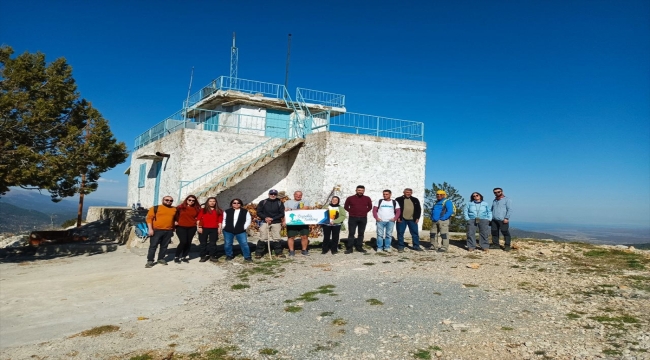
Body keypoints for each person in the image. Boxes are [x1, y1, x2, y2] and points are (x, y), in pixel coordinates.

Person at [145, 195, 177, 268]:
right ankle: (150, 260)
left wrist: (174, 226)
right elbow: (149, 218)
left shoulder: (174, 209)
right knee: (153, 246)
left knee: (164, 246)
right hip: (156, 230)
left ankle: (161, 259)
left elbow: (174, 219)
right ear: (163, 200)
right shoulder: (155, 208)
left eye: (171, 200)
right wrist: (150, 229)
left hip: (168, 231)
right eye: (167, 200)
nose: (169, 201)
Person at [255, 189, 286, 258]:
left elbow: (282, 213)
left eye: (275, 194)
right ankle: (258, 253)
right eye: (271, 194)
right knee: (263, 237)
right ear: (269, 194)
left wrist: (273, 218)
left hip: (276, 222)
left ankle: (278, 253)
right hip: (264, 221)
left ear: (276, 195)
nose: (273, 195)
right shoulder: (263, 202)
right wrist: (265, 218)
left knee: (277, 238)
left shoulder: (280, 203)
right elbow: (259, 212)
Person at [221, 198, 253, 262]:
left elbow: (248, 220)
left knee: (244, 243)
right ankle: (229, 255)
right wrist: (224, 226)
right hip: (228, 230)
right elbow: (224, 219)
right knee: (228, 244)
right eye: (234, 203)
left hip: (240, 230)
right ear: (232, 204)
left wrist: (244, 227)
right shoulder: (227, 211)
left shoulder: (245, 211)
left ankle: (247, 257)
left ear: (240, 204)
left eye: (238, 203)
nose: (236, 204)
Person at [343, 185, 373, 254]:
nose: (360, 192)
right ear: (356, 190)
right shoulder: (350, 198)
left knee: (361, 233)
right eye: (359, 190)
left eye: (362, 190)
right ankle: (350, 248)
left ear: (364, 191)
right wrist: (351, 212)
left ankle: (359, 247)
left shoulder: (367, 198)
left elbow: (370, 207)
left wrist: (364, 211)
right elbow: (346, 206)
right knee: (351, 233)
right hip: (353, 218)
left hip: (363, 218)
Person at [284, 191, 313, 256]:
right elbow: (284, 212)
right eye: (296, 195)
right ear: (294, 195)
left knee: (304, 236)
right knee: (291, 237)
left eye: (300, 195)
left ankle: (304, 250)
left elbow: (305, 209)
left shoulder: (305, 201)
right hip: (291, 222)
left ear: (301, 196)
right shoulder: (287, 202)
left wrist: (291, 209)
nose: (298, 196)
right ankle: (291, 251)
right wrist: (284, 221)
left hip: (303, 221)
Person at [173, 195, 200, 263]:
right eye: (189, 200)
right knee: (183, 241)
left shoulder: (197, 208)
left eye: (193, 200)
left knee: (188, 242)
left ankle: (184, 257)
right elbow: (173, 215)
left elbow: (199, 217)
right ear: (186, 200)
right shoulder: (180, 207)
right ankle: (176, 256)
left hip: (192, 227)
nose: (191, 201)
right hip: (181, 227)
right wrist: (174, 221)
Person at [395, 188, 422, 252]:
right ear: (403, 192)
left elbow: (419, 210)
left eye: (410, 192)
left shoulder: (415, 200)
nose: (408, 193)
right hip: (402, 219)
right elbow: (395, 209)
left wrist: (417, 218)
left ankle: (416, 246)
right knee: (400, 233)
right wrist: (397, 217)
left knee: (415, 233)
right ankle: (401, 246)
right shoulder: (398, 199)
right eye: (407, 192)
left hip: (412, 219)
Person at [197, 197, 223, 262]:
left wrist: (219, 228)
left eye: (213, 201)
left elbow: (220, 221)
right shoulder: (203, 210)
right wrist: (199, 227)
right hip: (203, 228)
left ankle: (213, 256)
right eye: (210, 201)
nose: (212, 202)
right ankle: (203, 256)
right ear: (207, 202)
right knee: (203, 243)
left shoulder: (219, 210)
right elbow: (198, 219)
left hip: (214, 229)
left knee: (213, 243)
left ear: (216, 202)